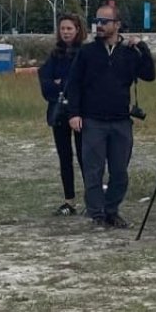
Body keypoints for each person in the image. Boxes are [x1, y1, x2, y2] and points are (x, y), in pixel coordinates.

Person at [64, 3, 155, 229]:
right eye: (97, 22)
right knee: (93, 171)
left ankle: (112, 210)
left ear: (117, 24)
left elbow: (150, 75)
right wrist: (74, 113)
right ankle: (97, 214)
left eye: (104, 22)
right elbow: (73, 84)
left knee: (120, 172)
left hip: (121, 121)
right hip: (93, 120)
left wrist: (143, 47)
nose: (99, 26)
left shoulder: (129, 52)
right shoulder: (87, 52)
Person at [37, 13, 87, 216]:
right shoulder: (55, 55)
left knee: (85, 156)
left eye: (69, 28)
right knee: (64, 157)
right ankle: (69, 201)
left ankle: (92, 199)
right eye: (63, 28)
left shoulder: (84, 53)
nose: (65, 32)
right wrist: (56, 85)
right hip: (59, 113)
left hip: (81, 112)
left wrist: (63, 83)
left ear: (77, 30)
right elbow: (45, 80)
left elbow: (80, 83)